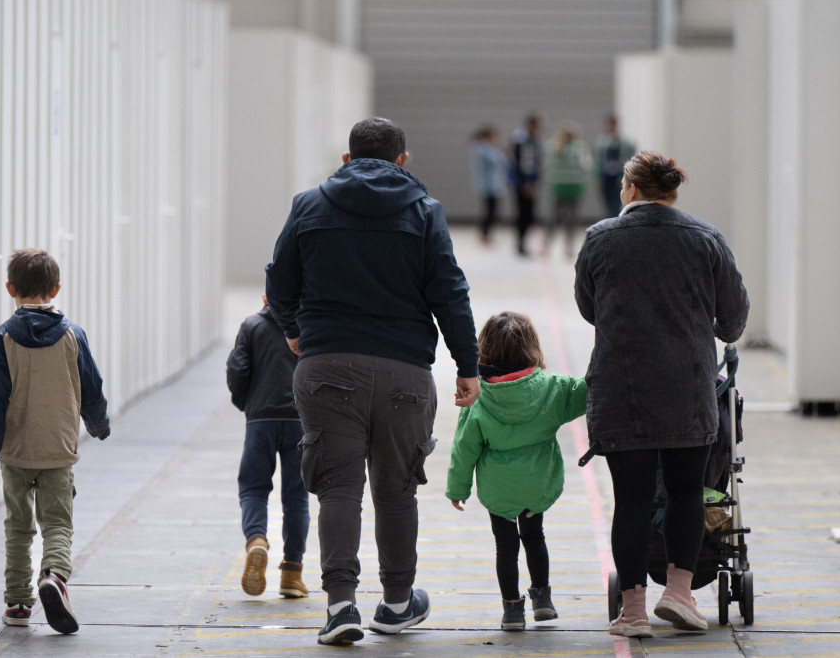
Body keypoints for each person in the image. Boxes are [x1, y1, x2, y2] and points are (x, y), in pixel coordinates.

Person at [266, 117, 481, 646]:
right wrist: (468, 367)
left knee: (337, 489)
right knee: (396, 490)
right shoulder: (424, 212)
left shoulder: (309, 204)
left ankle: (341, 608)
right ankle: (398, 604)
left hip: (325, 366)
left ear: (346, 159)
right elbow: (450, 293)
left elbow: (279, 280)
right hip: (404, 371)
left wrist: (295, 332)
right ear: (402, 161)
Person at [574, 152, 749, 638]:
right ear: (671, 192)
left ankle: (631, 612)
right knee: (686, 490)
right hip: (687, 387)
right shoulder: (705, 238)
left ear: (629, 188)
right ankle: (679, 593)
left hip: (620, 388)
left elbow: (590, 308)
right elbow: (733, 318)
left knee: (630, 500)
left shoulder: (600, 238)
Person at [0, 248, 111, 635]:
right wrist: (98, 424)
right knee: (57, 524)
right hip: (57, 448)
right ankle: (54, 576)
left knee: (18, 526)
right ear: (56, 288)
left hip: (15, 452)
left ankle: (18, 603)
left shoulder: (3, 337)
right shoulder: (73, 335)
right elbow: (91, 385)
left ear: (9, 288)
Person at [445, 312, 588, 632]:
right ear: (531, 349)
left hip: (499, 487)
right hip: (537, 482)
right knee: (535, 536)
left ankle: (511, 609)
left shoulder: (479, 396)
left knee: (505, 545)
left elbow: (463, 448)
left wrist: (458, 489)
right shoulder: (552, 388)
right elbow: (586, 392)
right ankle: (543, 599)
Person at [226, 297, 310, 599]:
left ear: (266, 297)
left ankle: (257, 540)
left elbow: (237, 370)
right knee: (296, 497)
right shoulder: (309, 327)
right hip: (300, 421)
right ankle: (291, 573)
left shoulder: (252, 326)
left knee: (252, 487)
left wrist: (247, 404)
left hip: (260, 420)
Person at [543, 121, 592, 258]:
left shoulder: (552, 146)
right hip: (574, 186)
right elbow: (587, 165)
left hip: (558, 186)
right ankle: (569, 247)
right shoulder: (580, 147)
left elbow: (547, 165)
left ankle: (546, 245)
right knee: (572, 218)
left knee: (554, 216)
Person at [508, 113, 544, 256]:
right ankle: (520, 243)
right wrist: (523, 183)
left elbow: (537, 164)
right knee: (521, 214)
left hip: (531, 184)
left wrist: (534, 183)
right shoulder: (519, 141)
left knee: (529, 214)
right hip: (520, 184)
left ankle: (524, 242)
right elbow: (516, 164)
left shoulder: (535, 142)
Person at [468, 124, 507, 245]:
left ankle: (486, 233)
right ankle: (484, 233)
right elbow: (495, 160)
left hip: (493, 184)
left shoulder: (486, 148)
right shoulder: (482, 148)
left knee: (492, 210)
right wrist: (497, 147)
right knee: (489, 211)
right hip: (487, 185)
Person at [595, 114, 636, 219]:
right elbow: (597, 160)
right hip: (606, 178)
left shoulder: (624, 142)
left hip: (618, 178)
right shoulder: (602, 141)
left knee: (616, 204)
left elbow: (630, 156)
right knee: (606, 203)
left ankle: (613, 221)